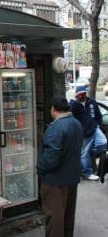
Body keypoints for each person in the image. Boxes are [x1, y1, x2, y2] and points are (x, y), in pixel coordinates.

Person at [36, 96, 83, 237]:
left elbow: (51, 157)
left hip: (54, 181)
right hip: (71, 179)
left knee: (54, 218)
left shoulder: (56, 127)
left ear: (53, 109)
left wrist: (40, 169)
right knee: (67, 216)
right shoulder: (76, 124)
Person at [69, 85, 106, 180]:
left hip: (94, 128)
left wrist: (97, 124)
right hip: (84, 133)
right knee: (84, 153)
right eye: (79, 94)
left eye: (83, 94)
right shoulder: (74, 106)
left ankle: (90, 153)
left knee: (103, 143)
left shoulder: (92, 102)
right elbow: (71, 119)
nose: (81, 96)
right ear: (76, 95)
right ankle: (87, 172)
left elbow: (98, 114)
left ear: (85, 93)